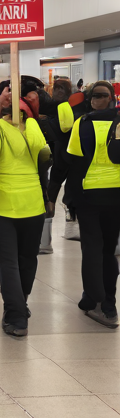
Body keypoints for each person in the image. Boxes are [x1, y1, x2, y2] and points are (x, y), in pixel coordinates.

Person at [0, 87, 50, 337]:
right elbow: (44, 155)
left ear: (3, 111)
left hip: (2, 205)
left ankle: (16, 315)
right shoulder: (33, 128)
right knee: (28, 258)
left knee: (8, 261)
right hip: (33, 205)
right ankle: (23, 302)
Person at [67, 81, 120, 328]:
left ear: (90, 99)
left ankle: (94, 302)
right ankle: (109, 304)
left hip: (89, 196)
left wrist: (71, 199)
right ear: (111, 99)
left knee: (92, 249)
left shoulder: (82, 124)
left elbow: (74, 164)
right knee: (108, 250)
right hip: (116, 197)